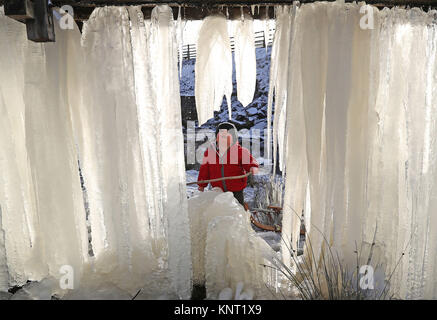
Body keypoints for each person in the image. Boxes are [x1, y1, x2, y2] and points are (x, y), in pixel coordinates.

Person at [197, 122, 259, 207]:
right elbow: (204, 170)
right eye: (221, 136)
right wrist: (201, 184)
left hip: (236, 190)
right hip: (217, 190)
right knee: (218, 209)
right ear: (217, 138)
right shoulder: (210, 152)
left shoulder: (240, 152)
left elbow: (249, 161)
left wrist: (252, 167)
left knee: (237, 209)